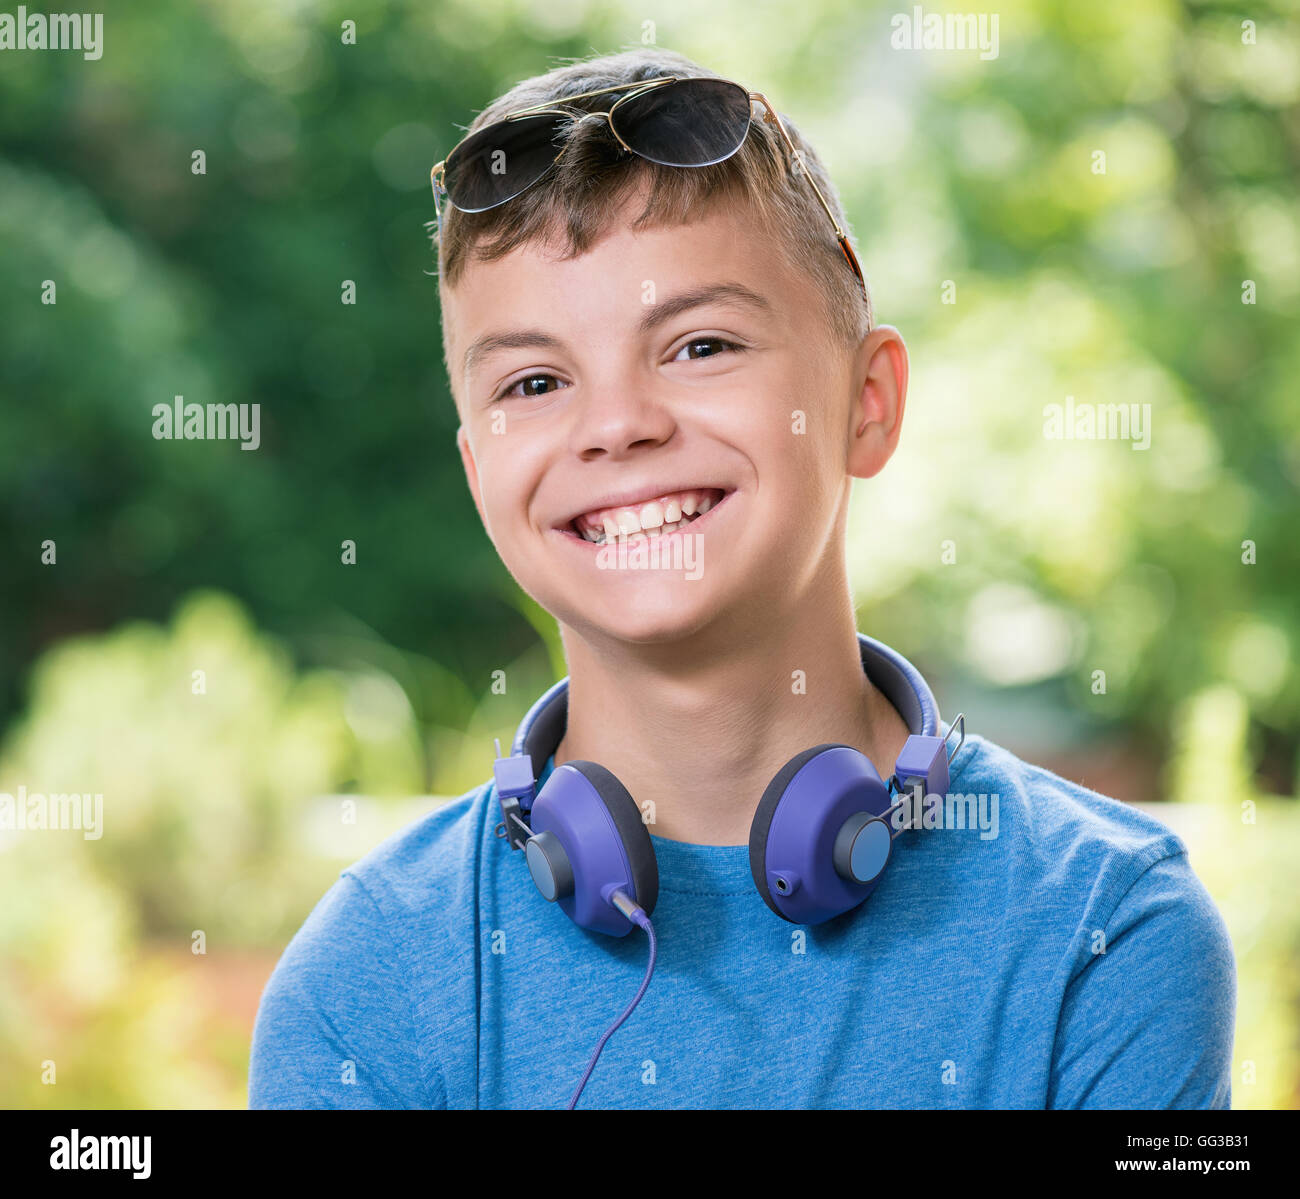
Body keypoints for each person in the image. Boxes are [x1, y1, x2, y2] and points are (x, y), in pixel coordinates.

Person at [249, 48, 1235, 1109]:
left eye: (700, 345)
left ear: (867, 401)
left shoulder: (1108, 928)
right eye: (535, 380)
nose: (619, 425)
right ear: (480, 470)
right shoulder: (367, 982)